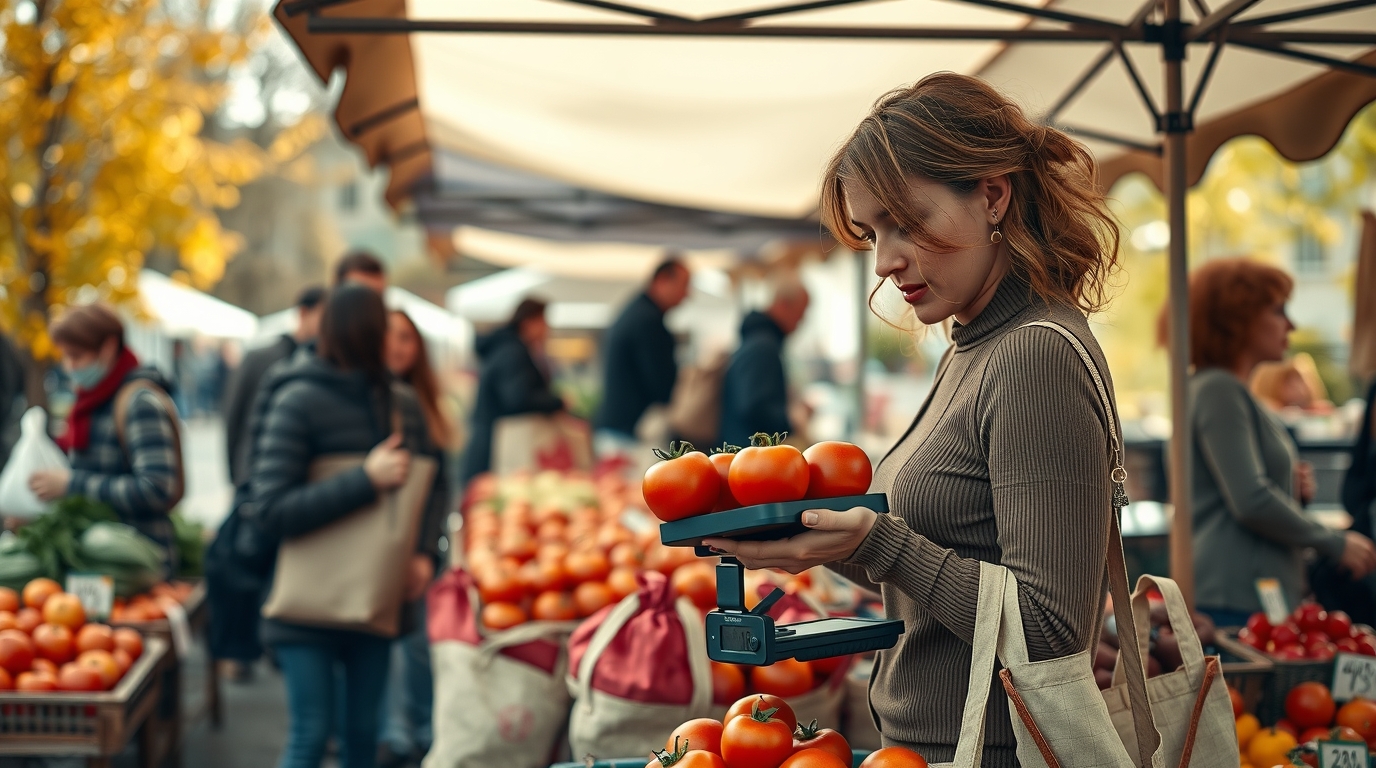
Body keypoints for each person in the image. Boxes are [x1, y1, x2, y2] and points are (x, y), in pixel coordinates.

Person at [705, 73, 1129, 766]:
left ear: (992, 195)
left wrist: (878, 543)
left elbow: (1050, 635)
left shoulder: (1033, 356)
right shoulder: (976, 345)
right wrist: (823, 541)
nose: (884, 261)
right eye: (873, 231)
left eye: (906, 221)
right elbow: (953, 561)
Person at [248, 285, 445, 768]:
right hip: (305, 606)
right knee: (310, 736)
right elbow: (269, 508)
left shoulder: (401, 403)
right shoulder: (296, 399)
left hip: (374, 594)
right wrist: (364, 480)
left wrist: (425, 552)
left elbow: (433, 483)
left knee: (363, 737)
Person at [1179, 258, 1376, 627]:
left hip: (1247, 595)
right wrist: (1335, 542)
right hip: (1234, 598)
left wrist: (1291, 491)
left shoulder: (1229, 391)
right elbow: (1250, 499)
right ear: (1238, 318)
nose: (1291, 324)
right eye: (1278, 310)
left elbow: (1243, 492)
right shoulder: (1218, 390)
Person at [29, 304, 182, 572]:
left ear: (109, 347)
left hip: (137, 565)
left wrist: (72, 485)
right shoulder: (89, 403)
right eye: (65, 357)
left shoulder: (138, 403)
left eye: (76, 356)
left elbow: (157, 488)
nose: (69, 366)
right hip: (96, 564)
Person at [378, 309, 452, 767]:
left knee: (418, 643)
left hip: (417, 545)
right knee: (384, 642)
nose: (399, 346)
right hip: (378, 547)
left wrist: (425, 549)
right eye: (391, 337)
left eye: (408, 338)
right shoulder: (370, 400)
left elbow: (440, 483)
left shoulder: (422, 403)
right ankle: (394, 733)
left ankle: (422, 730)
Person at [223, 286, 326, 487]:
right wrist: (236, 479)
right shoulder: (259, 359)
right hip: (252, 477)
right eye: (324, 317)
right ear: (303, 313)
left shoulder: (324, 364)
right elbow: (233, 417)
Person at [459, 298, 563, 485]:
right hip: (496, 448)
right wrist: (557, 402)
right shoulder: (514, 353)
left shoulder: (505, 348)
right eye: (543, 322)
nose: (547, 329)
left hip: (490, 442)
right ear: (529, 322)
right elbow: (518, 399)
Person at [592, 257, 690, 454]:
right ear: (662, 280)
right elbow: (660, 382)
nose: (687, 295)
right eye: (684, 285)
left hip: (620, 427)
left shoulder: (638, 312)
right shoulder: (647, 321)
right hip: (630, 432)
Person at [717, 279, 809, 447]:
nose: (802, 320)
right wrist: (790, 418)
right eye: (801, 312)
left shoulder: (758, 340)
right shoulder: (762, 347)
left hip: (746, 455)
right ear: (782, 305)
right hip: (748, 457)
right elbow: (752, 407)